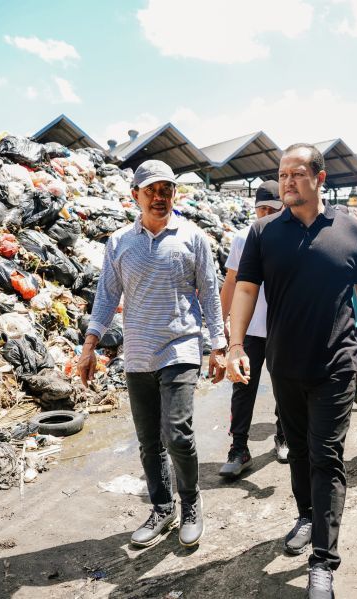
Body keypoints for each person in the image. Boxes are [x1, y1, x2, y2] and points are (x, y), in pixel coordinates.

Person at [227, 143, 357, 599]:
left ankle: (324, 560)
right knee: (298, 451)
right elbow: (244, 290)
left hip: (337, 364)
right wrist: (235, 344)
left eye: (296, 174)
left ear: (320, 178)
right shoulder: (264, 232)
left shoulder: (351, 231)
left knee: (326, 457)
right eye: (282, 175)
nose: (287, 183)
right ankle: (306, 515)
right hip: (285, 364)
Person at [77, 160, 226, 549]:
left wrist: (220, 346)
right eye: (151, 191)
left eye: (166, 190)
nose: (160, 198)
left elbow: (210, 293)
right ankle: (162, 508)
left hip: (180, 347)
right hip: (138, 353)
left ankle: (191, 503)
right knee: (148, 441)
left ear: (175, 195)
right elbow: (107, 296)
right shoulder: (119, 242)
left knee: (177, 432)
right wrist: (89, 346)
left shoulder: (193, 237)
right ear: (135, 196)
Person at [217, 181, 286, 478]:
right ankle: (239, 448)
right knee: (243, 388)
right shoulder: (243, 238)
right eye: (261, 209)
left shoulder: (291, 236)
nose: (266, 214)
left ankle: (284, 436)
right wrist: (220, 328)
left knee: (286, 387)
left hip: (284, 328)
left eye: (272, 209)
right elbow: (231, 282)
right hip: (249, 331)